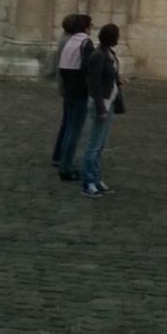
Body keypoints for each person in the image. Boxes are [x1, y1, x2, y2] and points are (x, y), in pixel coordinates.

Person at [80, 23, 123, 198]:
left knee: (100, 144)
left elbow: (108, 75)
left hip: (109, 102)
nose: (119, 38)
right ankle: (87, 182)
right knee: (94, 145)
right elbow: (94, 84)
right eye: (117, 35)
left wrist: (118, 80)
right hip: (101, 103)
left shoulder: (108, 53)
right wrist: (101, 109)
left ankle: (96, 179)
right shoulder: (98, 55)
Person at [56, 14, 94, 181]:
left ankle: (62, 161)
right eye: (90, 25)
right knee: (74, 130)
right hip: (79, 91)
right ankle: (66, 167)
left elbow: (62, 68)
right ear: (85, 27)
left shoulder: (69, 41)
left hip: (69, 89)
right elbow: (88, 67)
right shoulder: (85, 42)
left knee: (69, 127)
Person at [50, 13, 78, 168]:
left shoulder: (64, 39)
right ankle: (62, 157)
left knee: (67, 123)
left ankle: (58, 155)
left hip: (66, 87)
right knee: (70, 125)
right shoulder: (70, 42)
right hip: (71, 88)